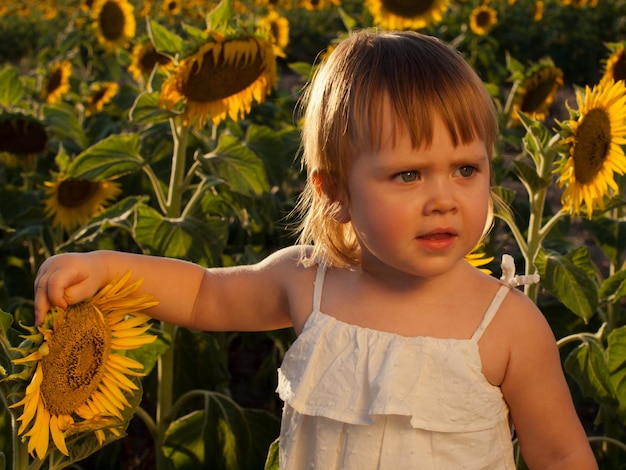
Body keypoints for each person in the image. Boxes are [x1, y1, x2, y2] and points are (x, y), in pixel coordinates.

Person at [34, 30, 597, 469]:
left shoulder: (507, 326)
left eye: (466, 169)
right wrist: (104, 268)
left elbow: (561, 456)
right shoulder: (312, 283)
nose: (443, 199)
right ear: (336, 193)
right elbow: (204, 293)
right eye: (408, 175)